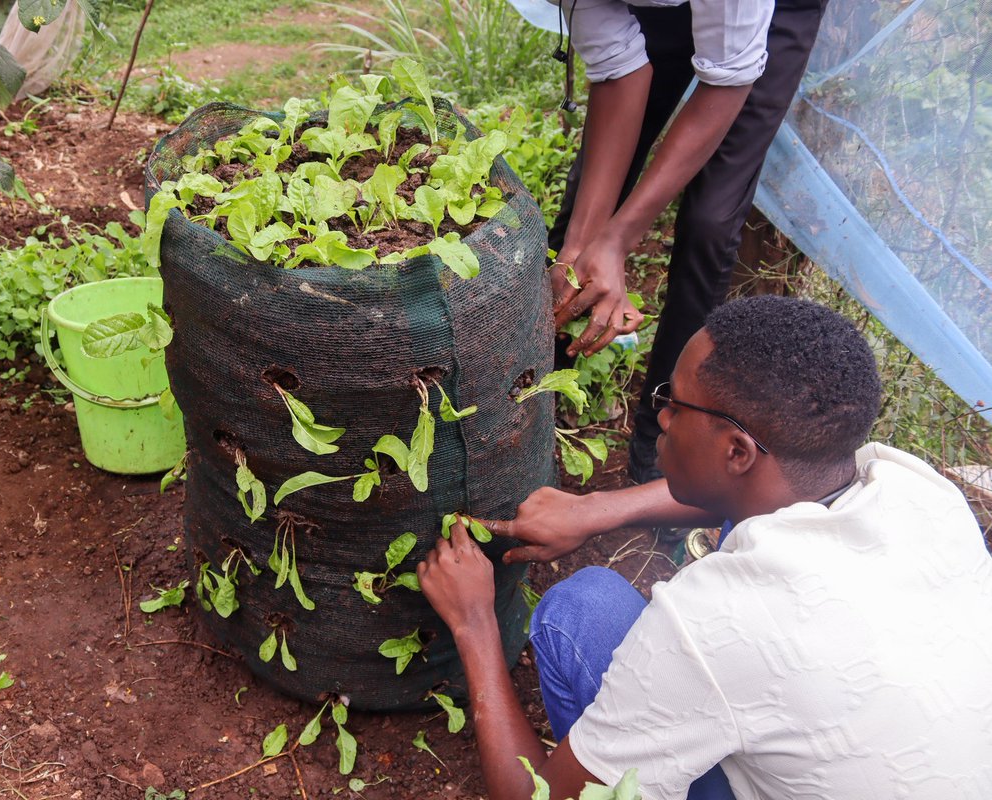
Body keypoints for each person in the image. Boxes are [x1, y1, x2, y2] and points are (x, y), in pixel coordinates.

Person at [417, 295, 992, 800]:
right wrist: (596, 510)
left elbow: (537, 797)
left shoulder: (715, 622)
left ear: (738, 451)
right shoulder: (916, 491)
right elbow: (762, 492)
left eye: (676, 403)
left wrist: (475, 624)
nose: (660, 415)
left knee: (579, 614)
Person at [544, 0, 830, 484]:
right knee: (583, 214)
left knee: (710, 222)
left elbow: (728, 80)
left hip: (772, 15)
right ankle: (537, 392)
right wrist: (583, 244)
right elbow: (619, 72)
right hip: (665, 7)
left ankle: (662, 446)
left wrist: (618, 240)